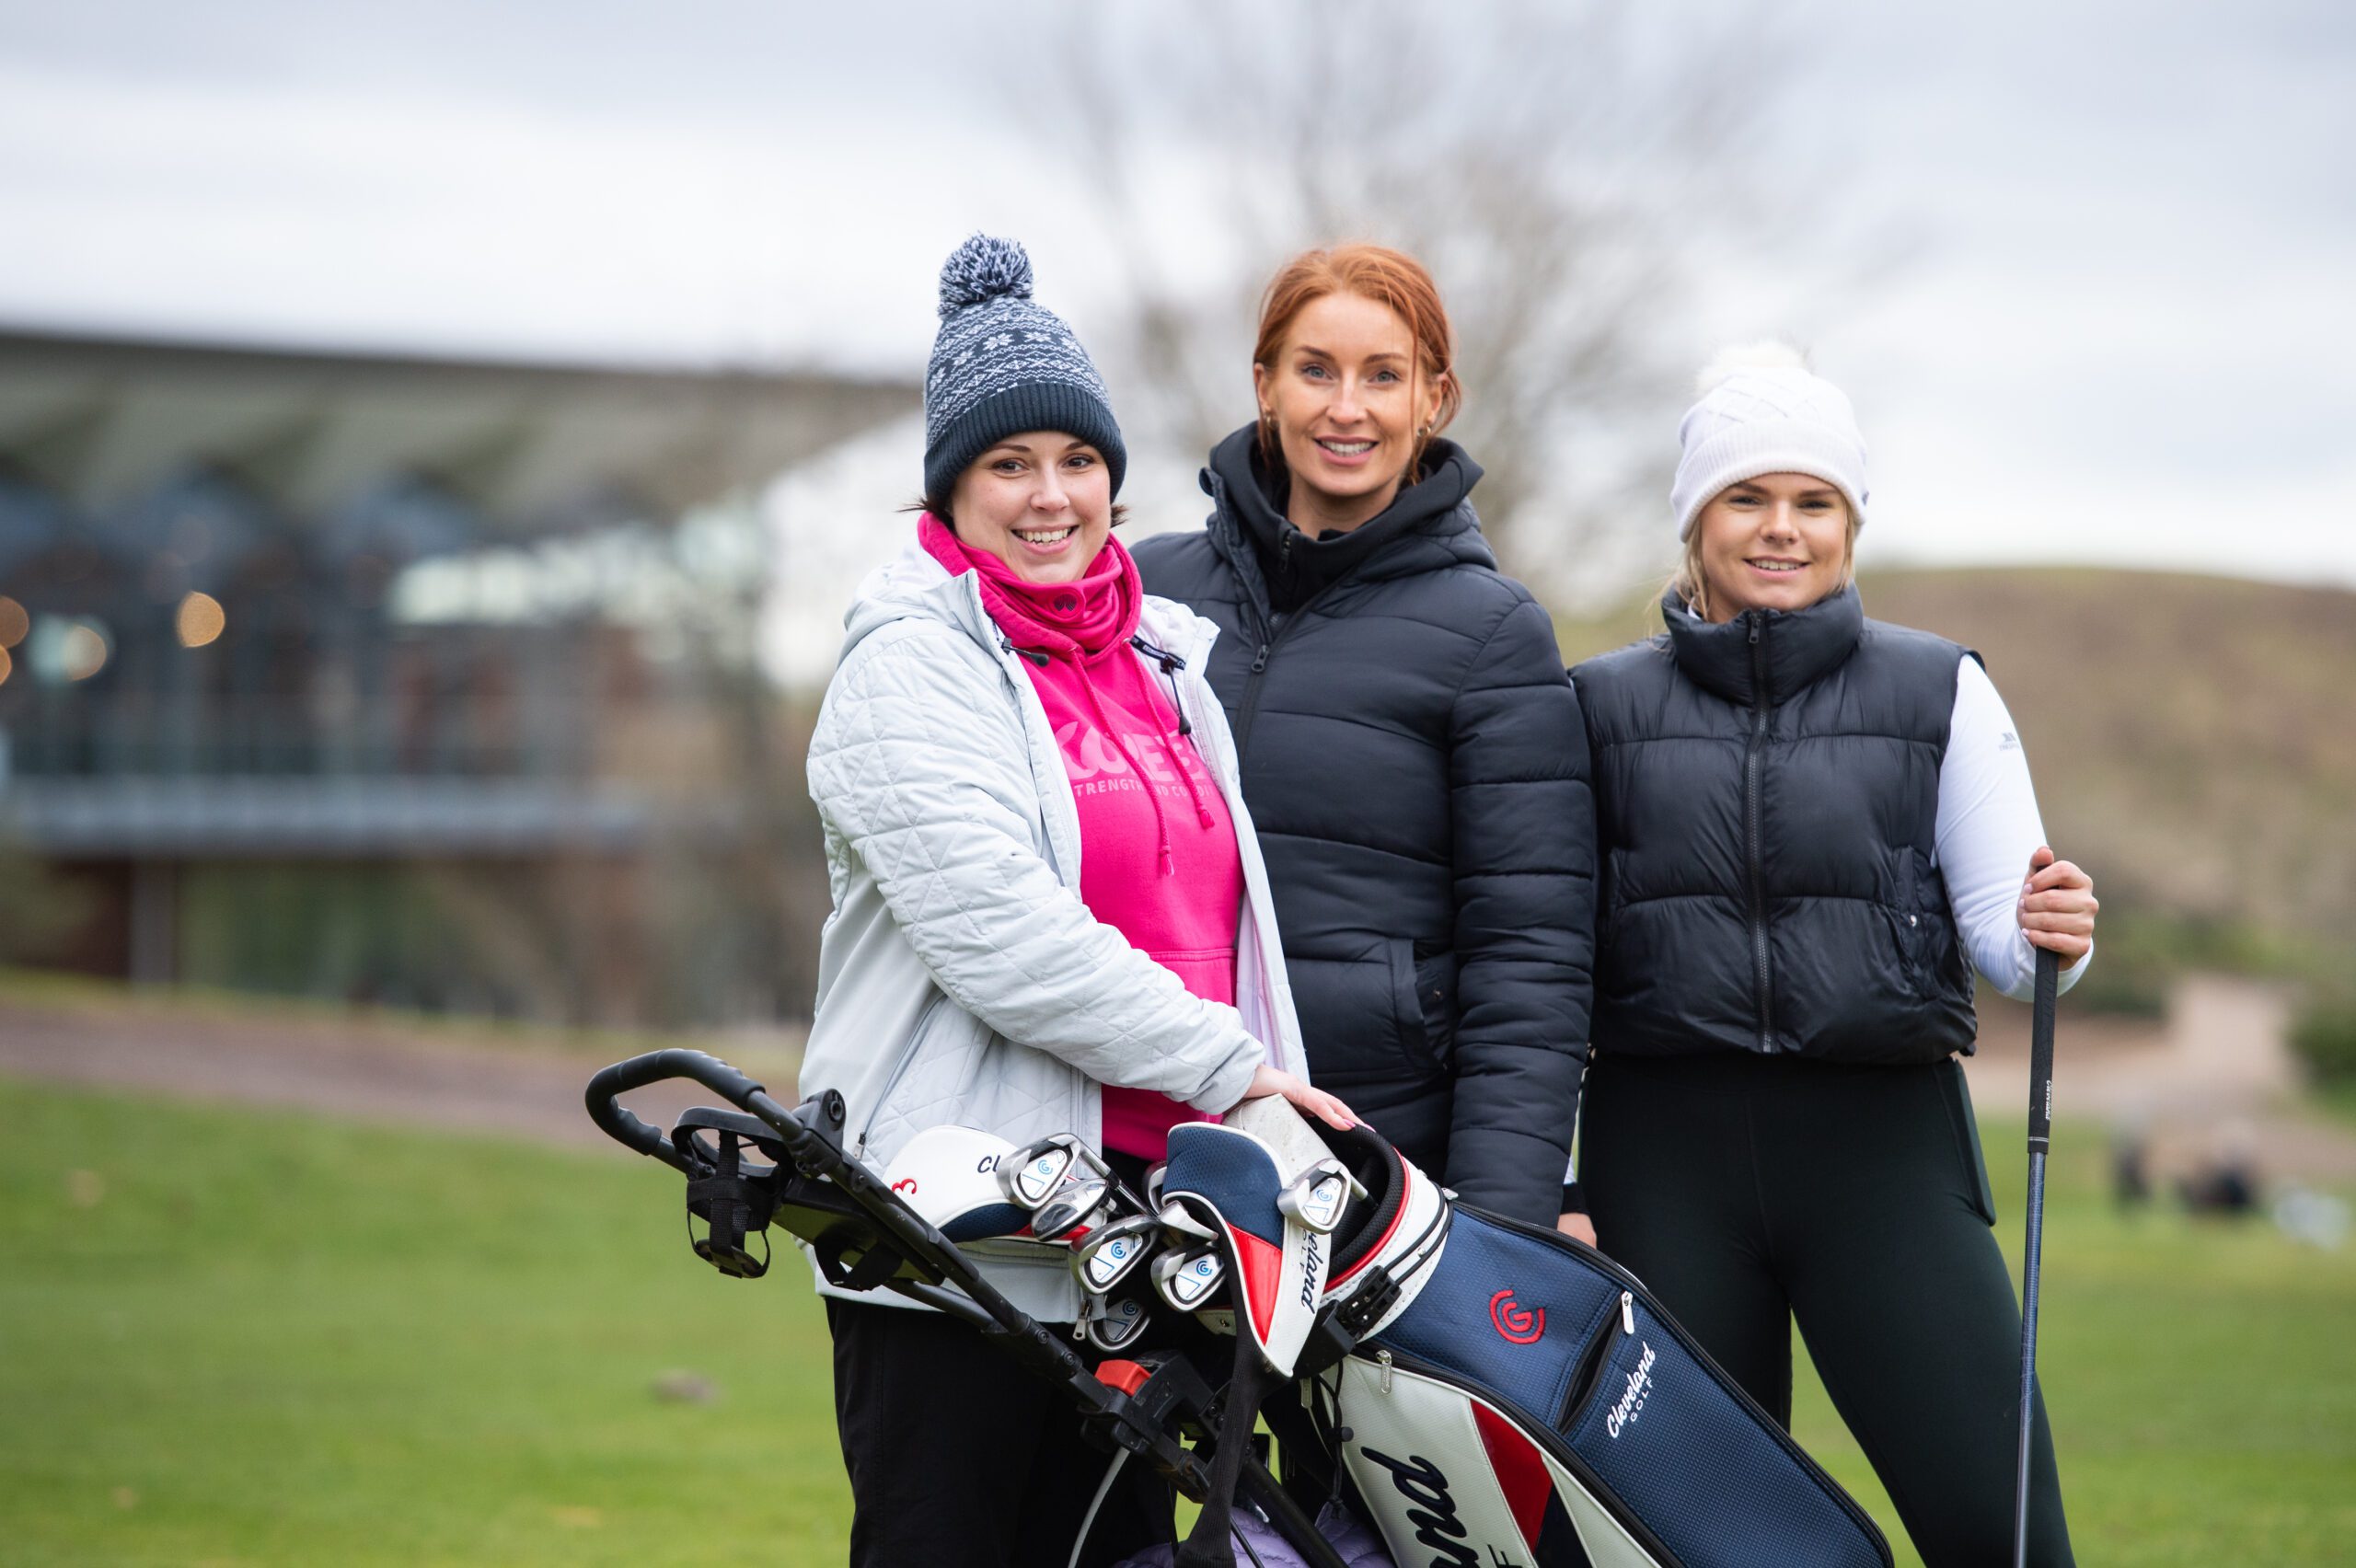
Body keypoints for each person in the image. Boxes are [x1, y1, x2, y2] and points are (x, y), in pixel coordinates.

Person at [801, 234, 1351, 1568]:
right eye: (1008, 465)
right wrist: (1236, 1073)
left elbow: (1224, 936)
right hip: (960, 1247)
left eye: (1078, 460)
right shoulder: (908, 668)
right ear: (950, 489)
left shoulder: (1164, 663)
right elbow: (1006, 937)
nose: (1051, 497)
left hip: (1144, 1240)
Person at [1570, 343, 2099, 1566]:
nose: (1781, 528)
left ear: (1849, 524)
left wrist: (2057, 934)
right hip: (1663, 1161)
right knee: (1682, 1542)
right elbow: (1543, 963)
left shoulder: (1939, 689)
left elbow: (2012, 943)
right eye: (1746, 497)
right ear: (1695, 519)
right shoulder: (1593, 708)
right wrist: (1554, 1177)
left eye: (1814, 501)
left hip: (1884, 1157)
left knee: (2000, 1530)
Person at [1134, 244, 1595, 1231]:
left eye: (1383, 376)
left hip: (1378, 1164)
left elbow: (1529, 959)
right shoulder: (1146, 594)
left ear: (1434, 399)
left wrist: (1503, 1225)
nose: (1347, 408)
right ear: (1264, 385)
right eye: (1316, 370)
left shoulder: (1493, 633)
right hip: (1144, 1135)